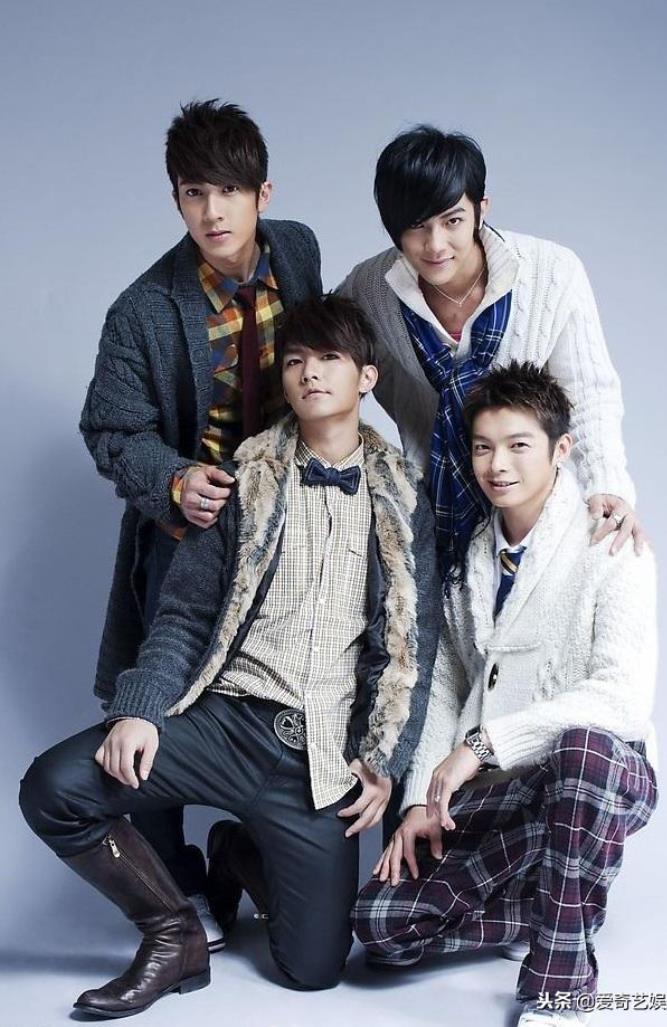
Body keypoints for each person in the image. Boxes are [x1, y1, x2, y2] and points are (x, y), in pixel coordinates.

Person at [20, 295, 441, 1019]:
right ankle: (172, 932)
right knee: (53, 786)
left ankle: (240, 853)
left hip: (318, 757)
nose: (310, 374)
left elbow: (410, 644)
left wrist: (385, 758)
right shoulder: (243, 481)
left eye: (330, 359)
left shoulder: (404, 502)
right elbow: (183, 613)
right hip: (226, 722)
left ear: (367, 376)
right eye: (296, 361)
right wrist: (138, 709)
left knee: (313, 970)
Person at [79, 99, 322, 943]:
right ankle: (173, 884)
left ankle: (253, 847)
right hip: (193, 525)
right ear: (176, 198)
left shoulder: (299, 252)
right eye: (193, 193)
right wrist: (174, 479)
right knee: (162, 687)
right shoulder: (142, 309)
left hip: (287, 527)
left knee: (285, 678)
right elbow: (110, 429)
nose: (213, 212)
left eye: (228, 191)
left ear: (263, 194)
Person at [352, 362, 657, 1027]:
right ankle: (559, 901)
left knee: (582, 750)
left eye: (519, 445)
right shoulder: (469, 559)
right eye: (484, 447)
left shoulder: (612, 544)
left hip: (603, 775)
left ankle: (559, 982)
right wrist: (418, 800)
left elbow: (622, 699)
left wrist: (484, 743)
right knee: (380, 926)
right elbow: (446, 683)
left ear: (561, 448)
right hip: (503, 791)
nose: (498, 465)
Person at [339, 125, 644, 578]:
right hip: (428, 508)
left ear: (482, 209)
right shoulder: (370, 288)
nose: (436, 244)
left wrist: (607, 483)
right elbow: (326, 364)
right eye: (417, 226)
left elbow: (588, 392)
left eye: (453, 221)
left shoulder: (552, 273)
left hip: (531, 505)